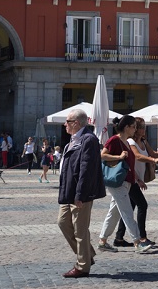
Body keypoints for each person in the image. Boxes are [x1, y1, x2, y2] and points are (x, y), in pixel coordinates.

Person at [58, 108, 106, 278]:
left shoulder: (88, 140)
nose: (65, 124)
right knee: (63, 222)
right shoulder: (72, 140)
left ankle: (82, 266)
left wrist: (81, 194)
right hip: (68, 191)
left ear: (76, 123)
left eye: (68, 122)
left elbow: (87, 169)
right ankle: (87, 254)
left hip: (80, 192)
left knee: (80, 229)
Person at [97, 116, 153, 253]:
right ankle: (137, 242)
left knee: (114, 213)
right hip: (117, 182)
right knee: (127, 211)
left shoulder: (127, 142)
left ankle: (102, 241)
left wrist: (137, 179)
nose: (135, 129)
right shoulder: (114, 140)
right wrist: (118, 157)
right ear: (127, 127)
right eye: (134, 126)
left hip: (127, 181)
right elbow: (102, 155)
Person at [114, 117, 158, 248]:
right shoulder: (130, 141)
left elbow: (152, 153)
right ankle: (142, 237)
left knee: (129, 208)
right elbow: (137, 157)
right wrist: (152, 161)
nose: (143, 130)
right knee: (142, 205)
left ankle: (119, 238)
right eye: (141, 127)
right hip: (131, 178)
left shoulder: (143, 141)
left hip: (136, 178)